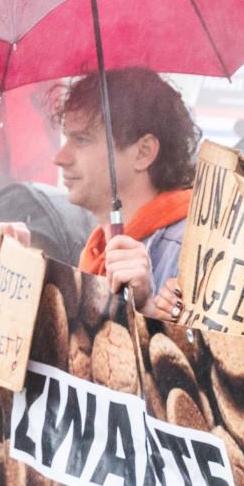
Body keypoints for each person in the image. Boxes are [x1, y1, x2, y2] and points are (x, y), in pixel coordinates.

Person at [55, 67, 198, 317]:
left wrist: (148, 312)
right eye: (66, 138)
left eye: (82, 140)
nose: (60, 158)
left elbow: (203, 354)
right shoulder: (95, 250)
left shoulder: (190, 251)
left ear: (143, 152)